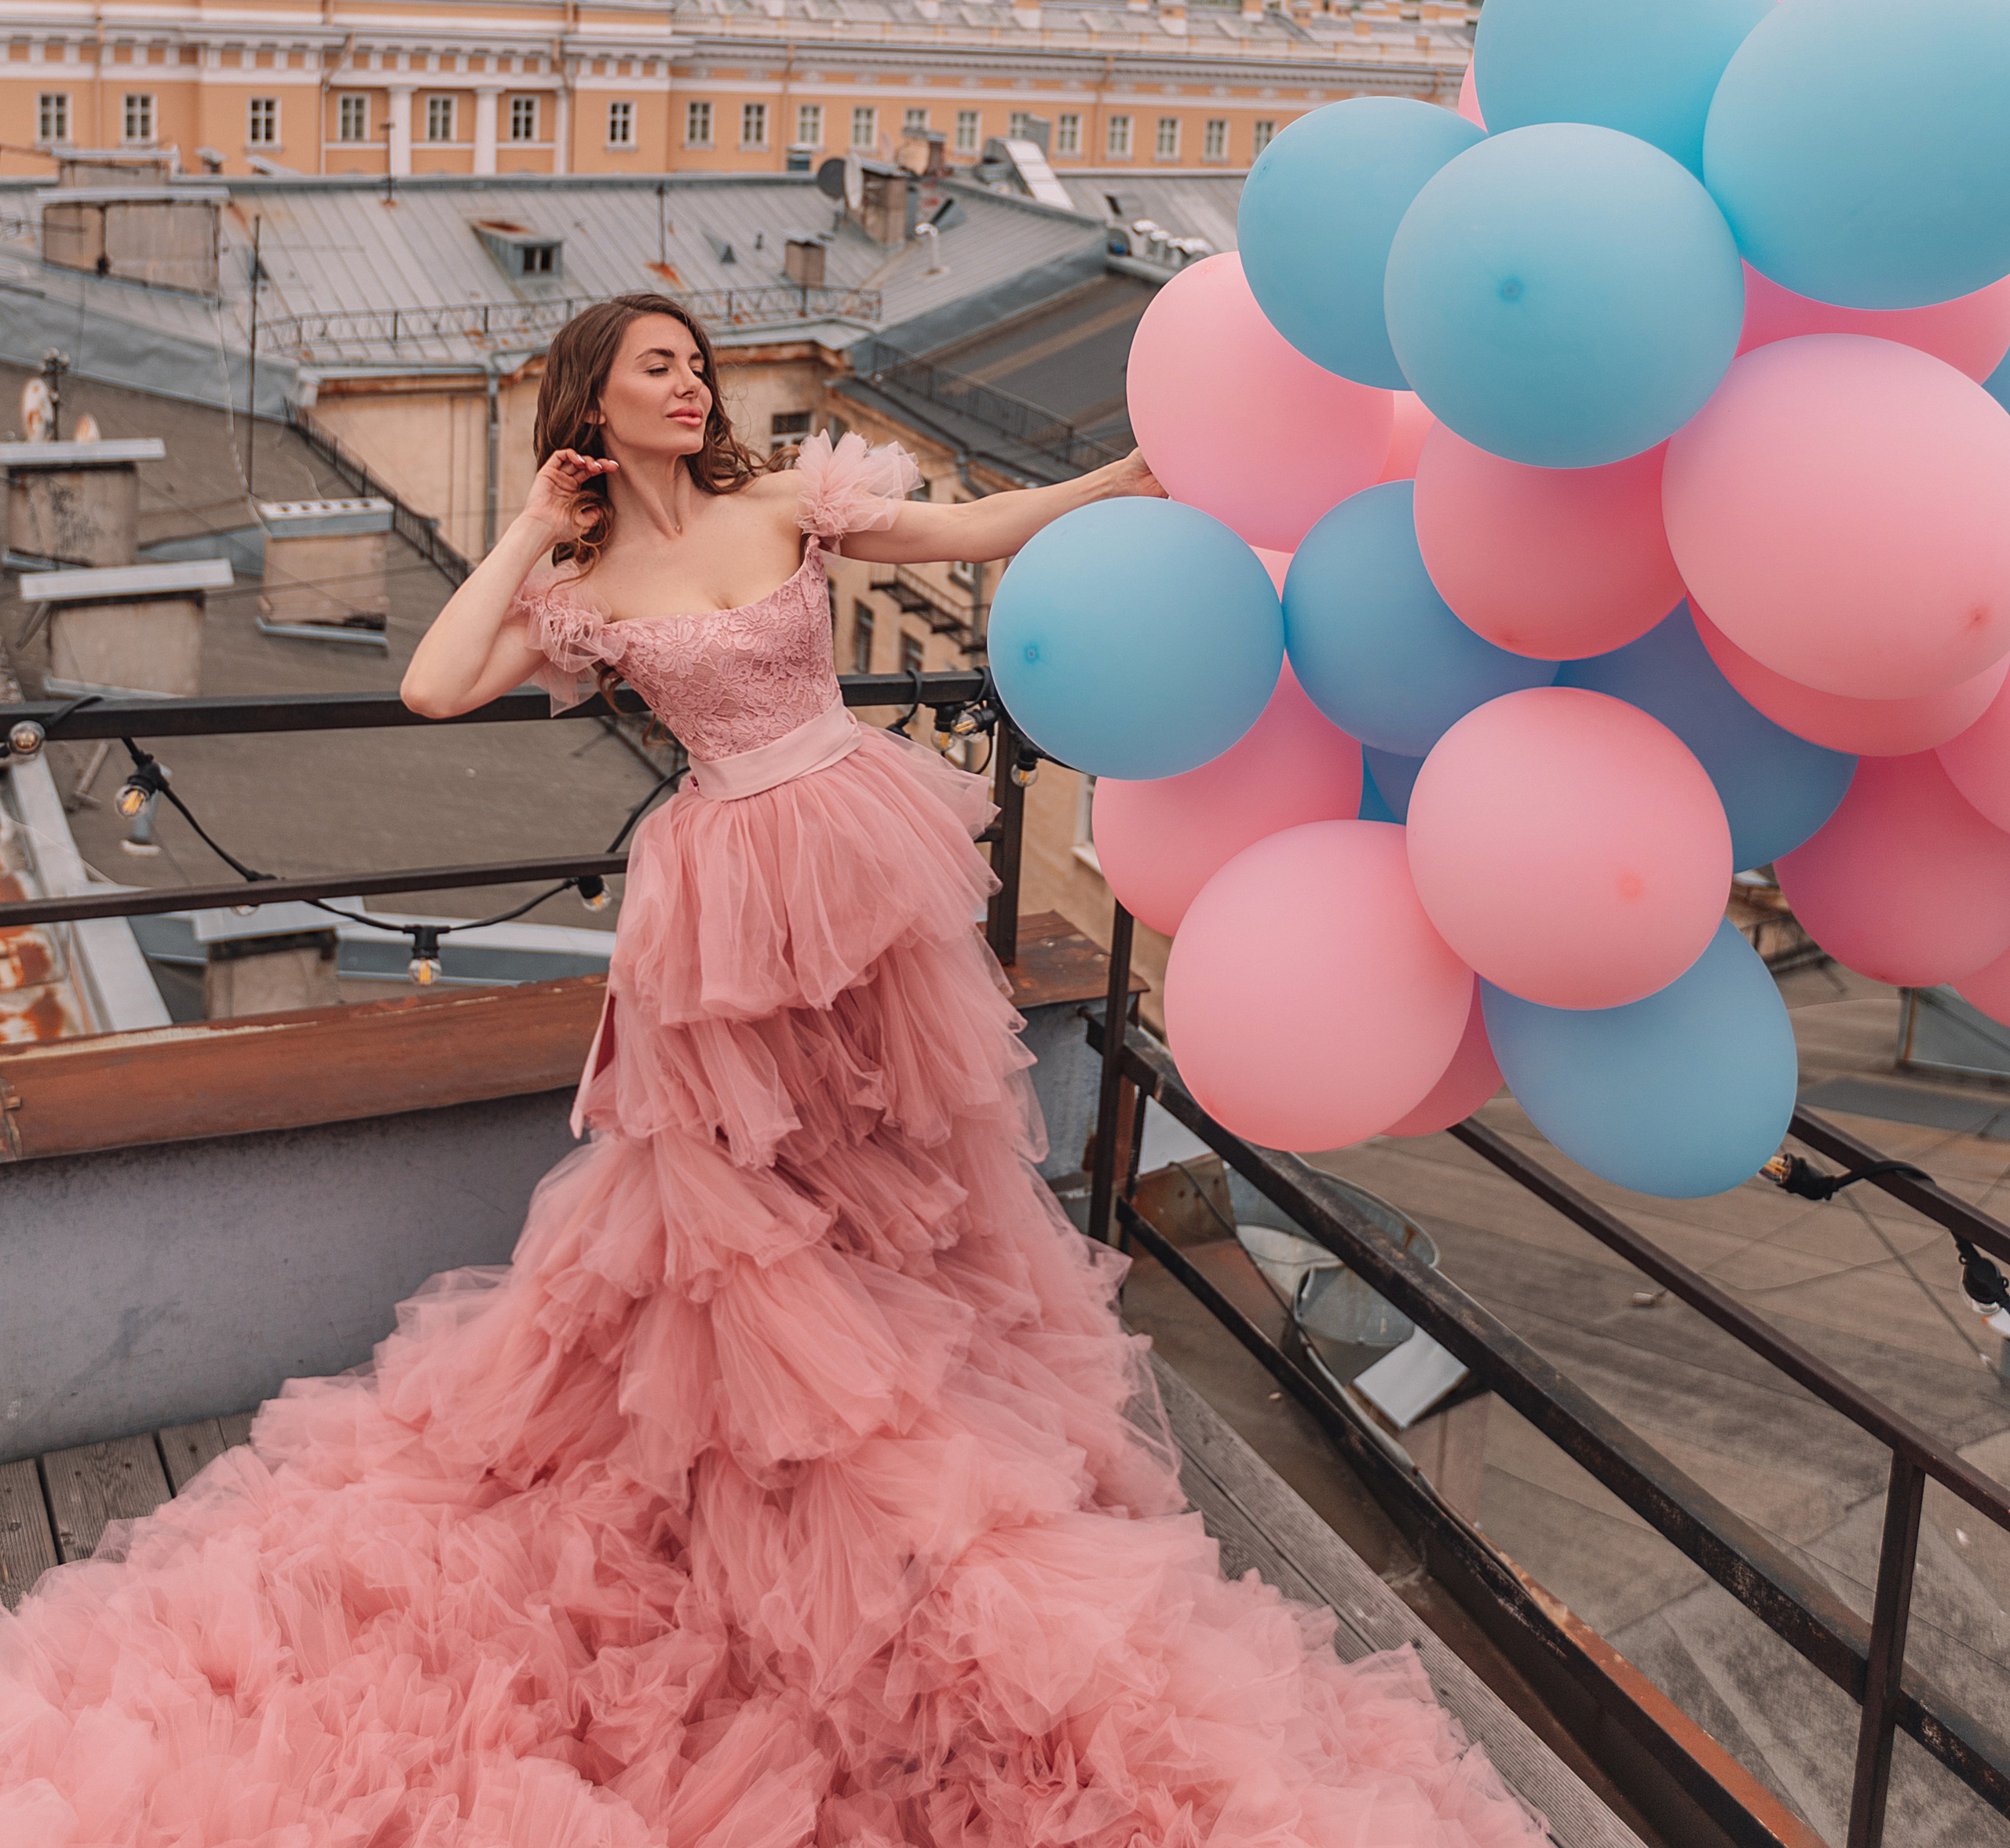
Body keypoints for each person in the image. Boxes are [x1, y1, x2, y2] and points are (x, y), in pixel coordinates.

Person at [2, 295, 1537, 1846]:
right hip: (725, 905)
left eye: (695, 363)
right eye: (656, 366)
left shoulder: (786, 498)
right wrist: (532, 525)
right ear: (590, 403)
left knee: (895, 1164)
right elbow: (432, 685)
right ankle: (769, 1470)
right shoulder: (590, 583)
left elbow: (963, 530)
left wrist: (1103, 489)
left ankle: (901, 1429)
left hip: (859, 857)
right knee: (744, 1208)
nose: (691, 384)